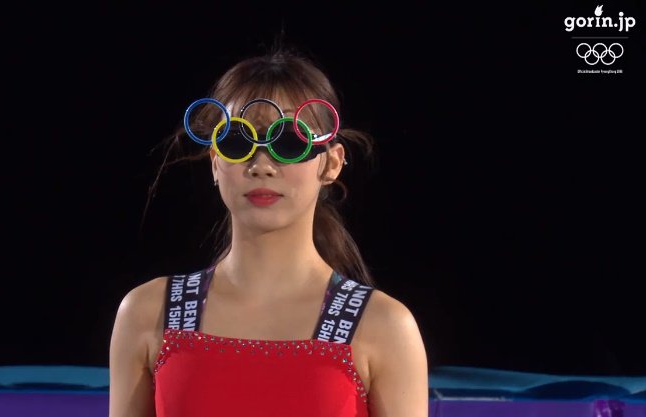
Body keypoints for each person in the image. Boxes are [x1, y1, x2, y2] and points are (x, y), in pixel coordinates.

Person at [109, 45, 428, 417]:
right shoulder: (150, 314)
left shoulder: (383, 327)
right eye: (237, 141)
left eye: (289, 142)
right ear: (215, 162)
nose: (262, 165)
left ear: (332, 163)